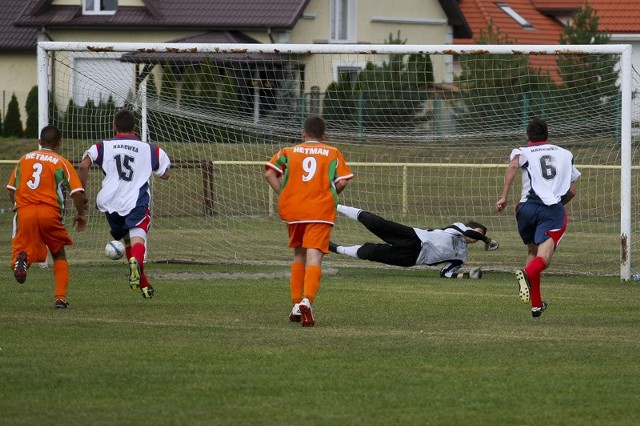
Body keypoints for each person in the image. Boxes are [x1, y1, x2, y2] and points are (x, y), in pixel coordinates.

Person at [265, 115, 353, 327]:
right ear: (324, 135)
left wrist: (283, 194)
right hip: (319, 211)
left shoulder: (288, 151)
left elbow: (270, 173)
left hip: (294, 210)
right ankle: (307, 300)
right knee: (315, 257)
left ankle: (296, 304)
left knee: (299, 254)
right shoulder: (332, 152)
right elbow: (342, 181)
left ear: (303, 133)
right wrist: (331, 193)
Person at [78, 109, 170, 299]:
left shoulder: (102, 146)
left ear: (114, 127)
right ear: (135, 127)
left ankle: (143, 284)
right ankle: (137, 263)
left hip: (109, 202)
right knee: (138, 236)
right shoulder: (151, 149)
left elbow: (83, 165)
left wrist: (82, 192)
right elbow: (165, 174)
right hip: (134, 200)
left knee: (127, 238)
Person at [495, 117, 580, 318]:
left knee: (532, 251)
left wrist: (504, 197)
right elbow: (572, 190)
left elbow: (514, 167)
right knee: (544, 259)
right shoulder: (565, 154)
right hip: (551, 210)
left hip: (525, 208)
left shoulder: (522, 151)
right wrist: (558, 205)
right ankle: (525, 274)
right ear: (548, 135)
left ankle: (536, 304)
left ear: (527, 136)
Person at [6, 125, 87, 308]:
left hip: (25, 211)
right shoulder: (61, 162)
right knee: (58, 253)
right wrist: (81, 214)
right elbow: (76, 192)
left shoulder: (25, 159)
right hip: (49, 213)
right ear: (59, 143)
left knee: (21, 250)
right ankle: (60, 299)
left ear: (39, 142)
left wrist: (19, 207)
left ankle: (22, 260)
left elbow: (11, 189)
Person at [329, 205, 499, 278]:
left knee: (371, 252)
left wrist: (467, 276)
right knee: (376, 222)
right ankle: (335, 205)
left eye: (478, 238)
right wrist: (487, 239)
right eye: (478, 233)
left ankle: (335, 248)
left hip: (412, 258)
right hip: (414, 236)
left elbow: (445, 274)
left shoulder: (461, 258)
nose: (476, 238)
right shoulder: (458, 228)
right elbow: (470, 232)